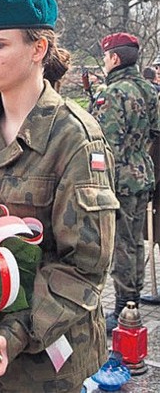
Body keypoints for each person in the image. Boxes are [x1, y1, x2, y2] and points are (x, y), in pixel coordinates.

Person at [0, 0, 118, 391]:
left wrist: (15, 333)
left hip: (49, 359)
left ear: (38, 48)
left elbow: (85, 267)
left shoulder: (74, 138)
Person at [91, 32, 159, 334]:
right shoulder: (149, 90)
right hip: (143, 173)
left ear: (114, 58)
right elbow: (155, 131)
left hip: (119, 180)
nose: (105, 62)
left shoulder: (113, 93)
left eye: (106, 57)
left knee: (122, 245)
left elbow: (106, 146)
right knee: (136, 241)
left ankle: (123, 307)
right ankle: (132, 299)